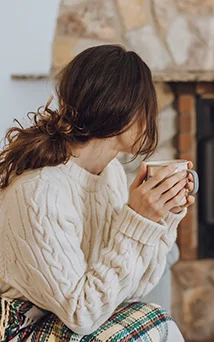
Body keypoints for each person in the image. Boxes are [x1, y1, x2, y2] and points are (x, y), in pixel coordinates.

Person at [0, 45, 193, 341]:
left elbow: (133, 288)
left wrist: (160, 217)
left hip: (68, 320)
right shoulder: (40, 193)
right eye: (146, 106)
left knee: (153, 319)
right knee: (156, 326)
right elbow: (82, 314)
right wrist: (137, 219)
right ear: (122, 110)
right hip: (21, 328)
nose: (150, 117)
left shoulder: (110, 173)